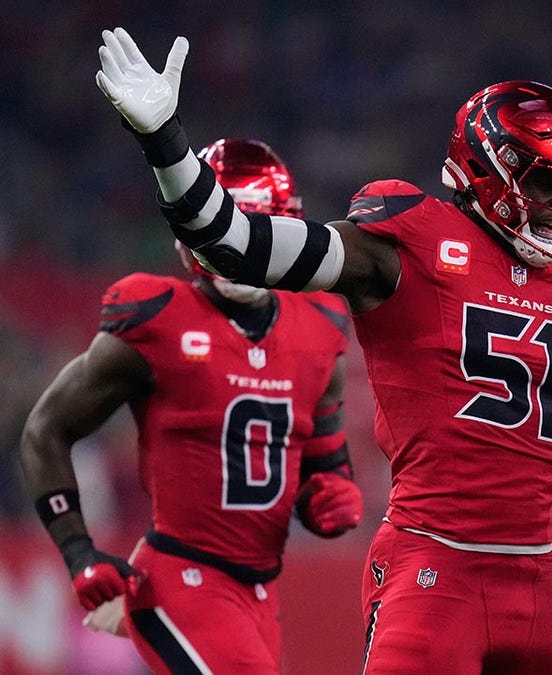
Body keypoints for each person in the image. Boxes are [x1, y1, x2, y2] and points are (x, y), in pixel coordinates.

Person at [95, 27, 552, 674]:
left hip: (538, 573)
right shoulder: (405, 244)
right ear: (488, 171)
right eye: (548, 184)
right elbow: (235, 244)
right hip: (436, 565)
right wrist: (165, 142)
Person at [20, 137, 362, 674]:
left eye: (251, 231)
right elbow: (45, 429)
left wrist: (330, 490)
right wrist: (78, 552)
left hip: (259, 590)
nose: (234, 250)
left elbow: (324, 455)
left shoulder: (320, 325)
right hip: (182, 579)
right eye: (218, 231)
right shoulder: (156, 318)